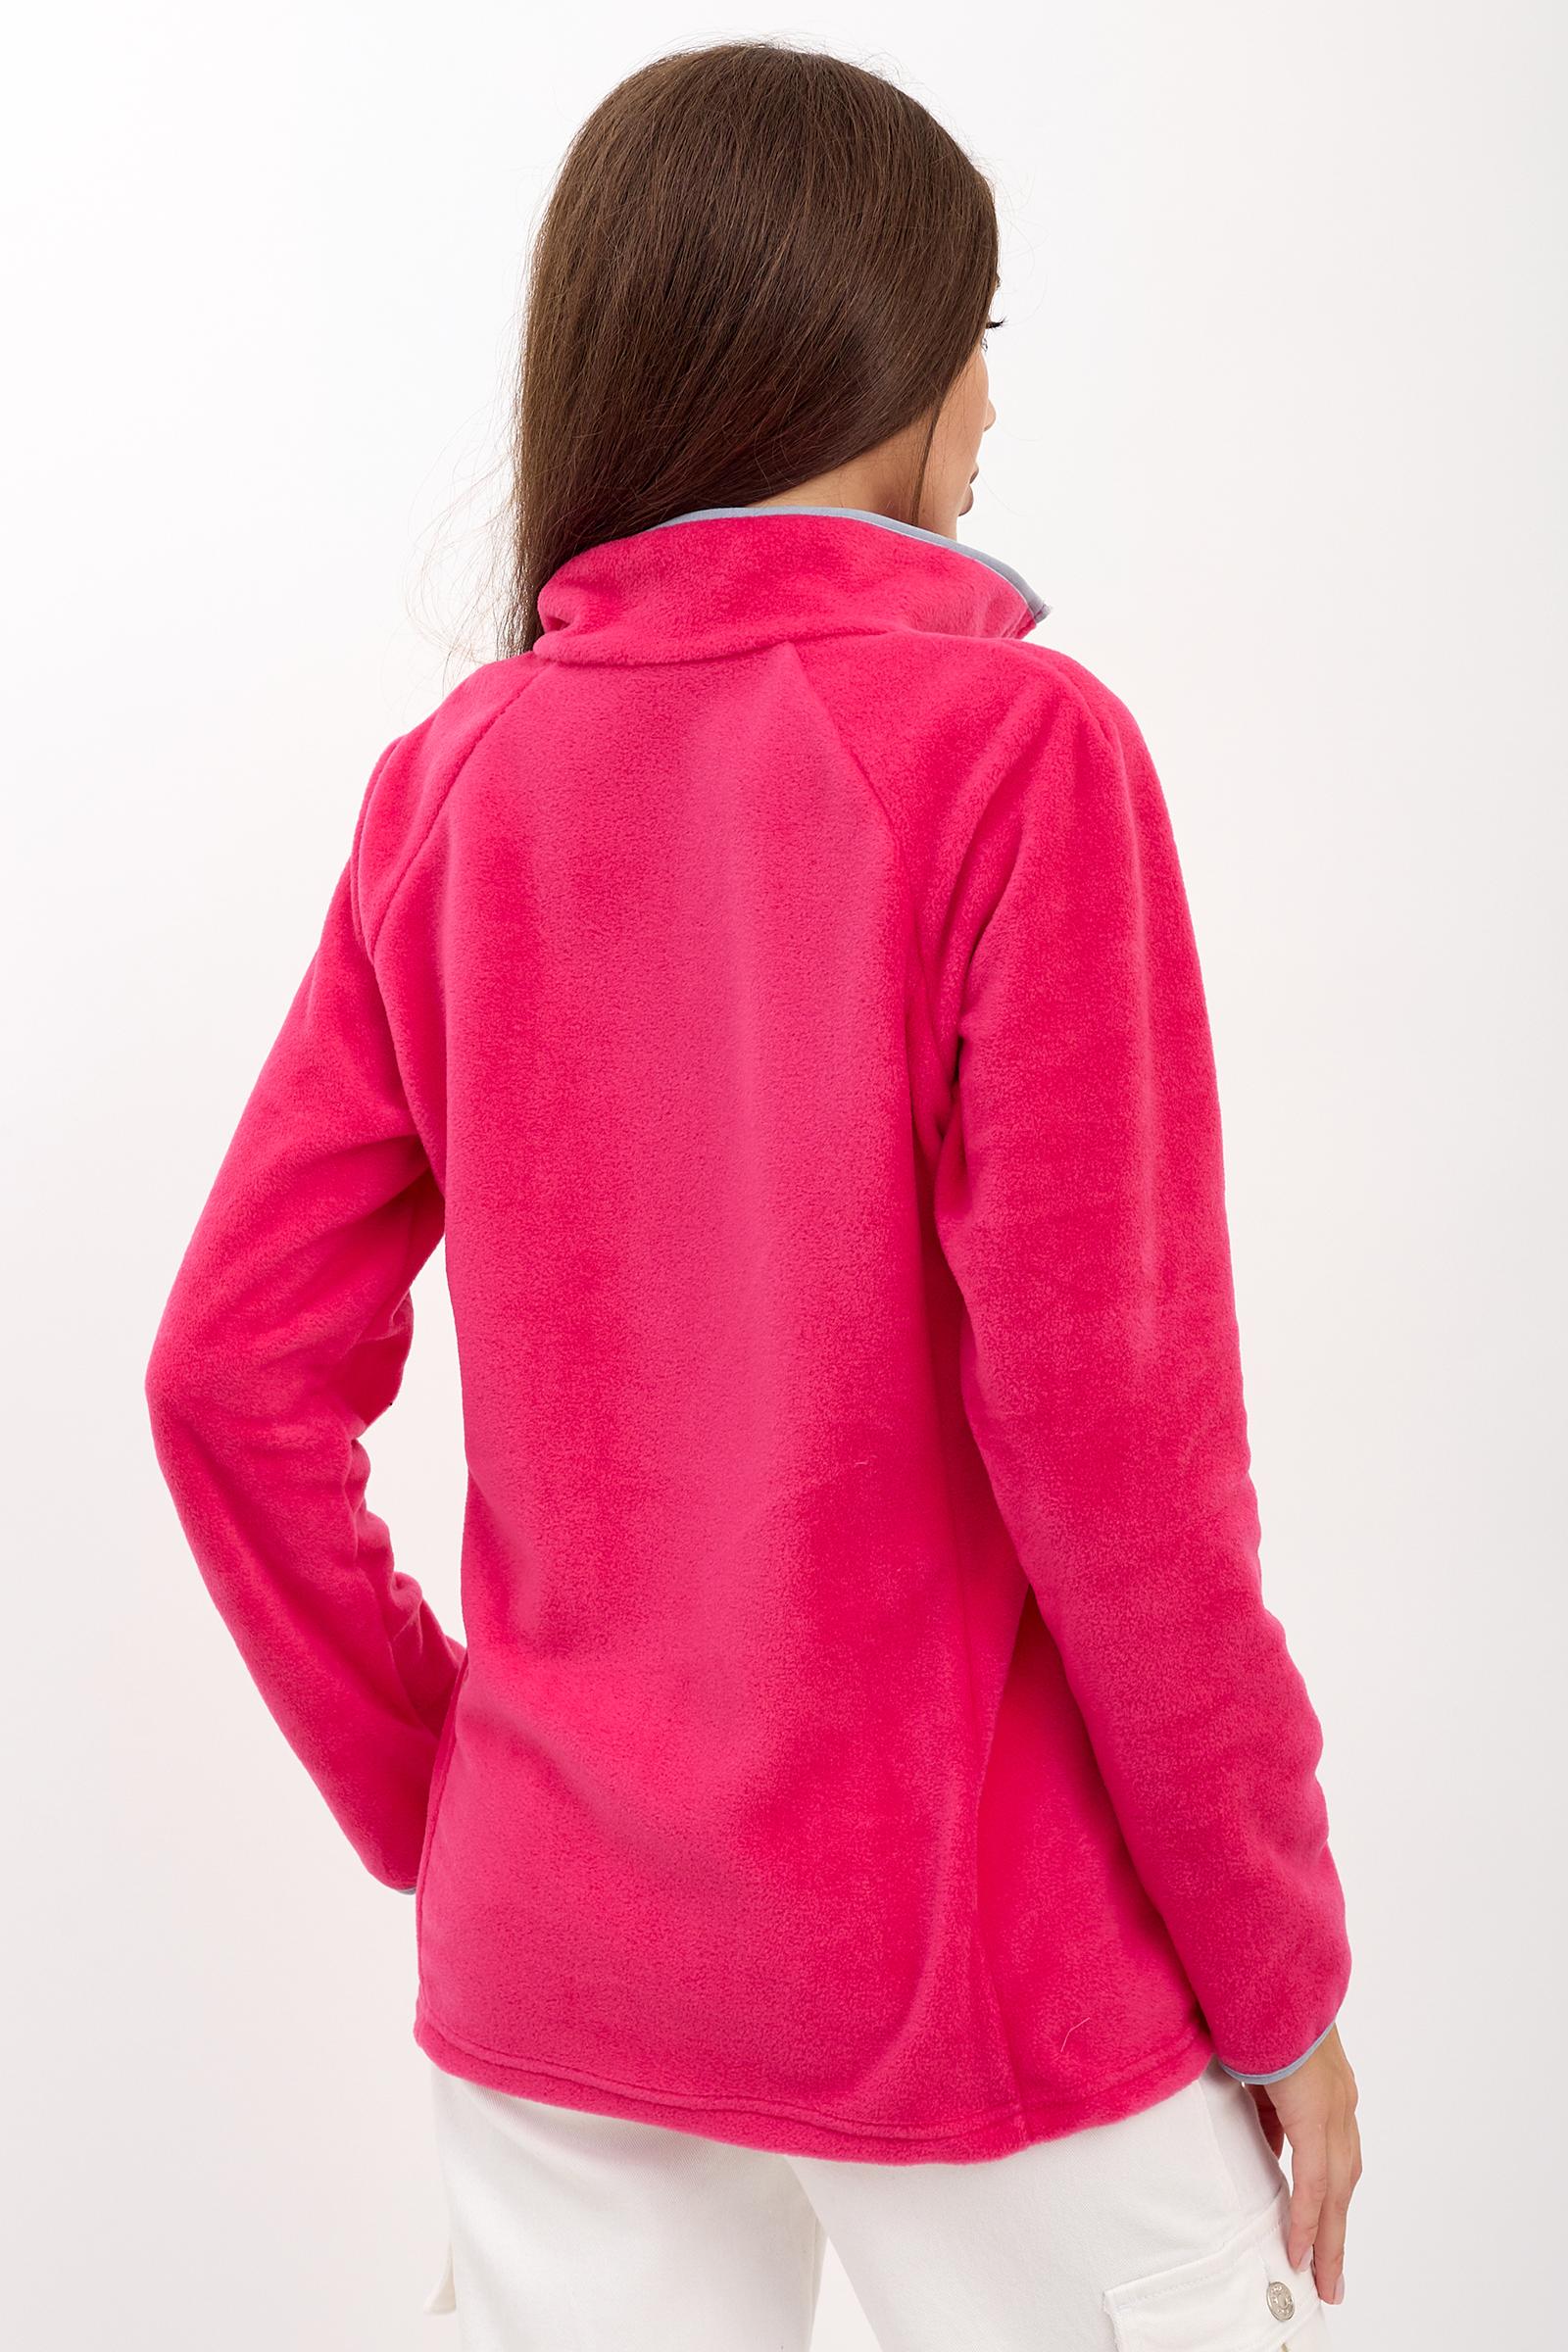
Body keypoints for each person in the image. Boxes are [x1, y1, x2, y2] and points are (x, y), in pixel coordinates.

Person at [143, 36, 1361, 2352]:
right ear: (874, 357)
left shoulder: (451, 785)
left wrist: (465, 1810)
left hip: (556, 1981)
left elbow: (223, 1381)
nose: (991, 403)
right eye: (977, 335)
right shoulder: (1017, 754)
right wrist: (1278, 1978)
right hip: (972, 1985)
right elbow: (1116, 1451)